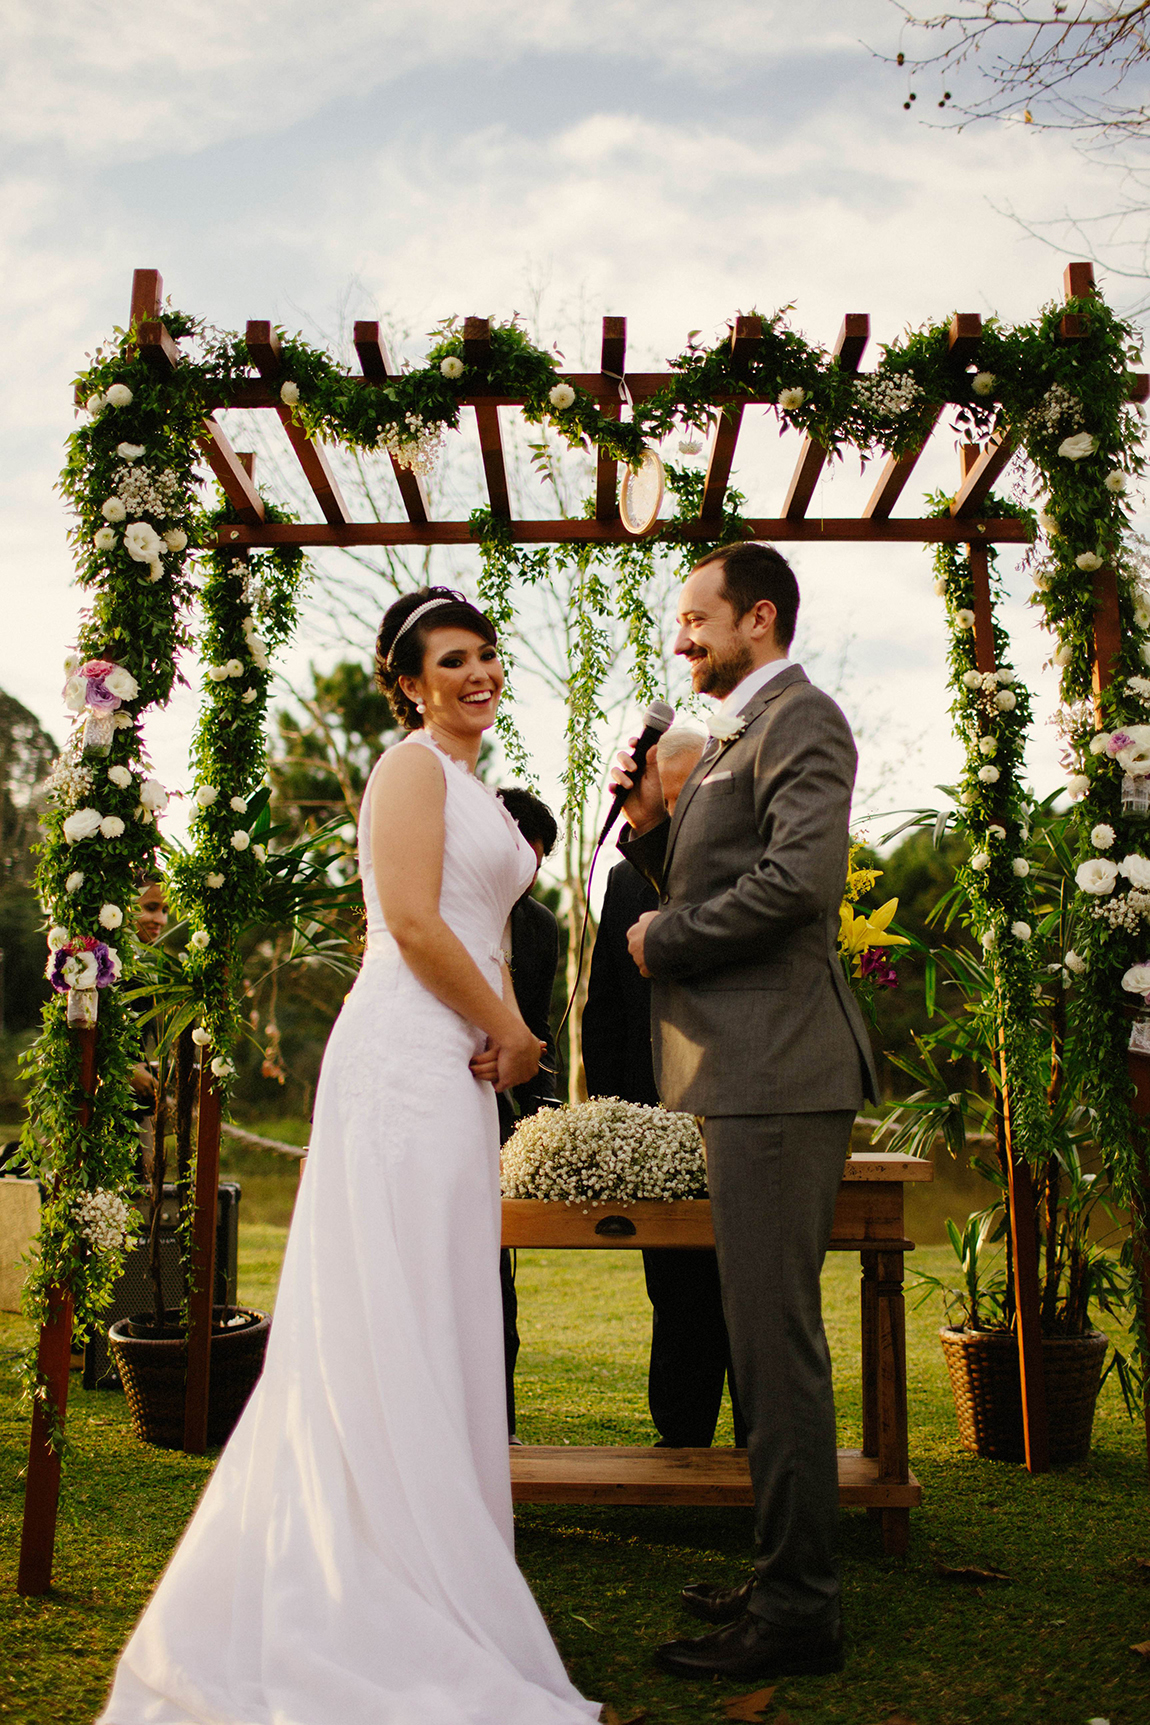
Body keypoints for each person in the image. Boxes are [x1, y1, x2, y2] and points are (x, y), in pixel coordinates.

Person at [100, 587, 600, 1725]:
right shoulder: (410, 770)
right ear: (410, 682)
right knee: (393, 1308)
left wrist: (521, 1040)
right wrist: (507, 1030)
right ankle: (379, 1584)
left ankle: (446, 1560)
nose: (477, 673)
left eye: (484, 654)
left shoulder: (472, 786)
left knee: (445, 1305)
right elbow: (415, 927)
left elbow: (487, 929)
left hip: (462, 1067)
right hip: (404, 1061)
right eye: (450, 661)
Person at [613, 542, 877, 1684]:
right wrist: (645, 826)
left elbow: (795, 884)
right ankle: (782, 1573)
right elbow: (714, 868)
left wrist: (659, 939)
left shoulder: (799, 721)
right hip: (740, 1073)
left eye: (696, 619)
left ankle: (798, 1614)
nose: (682, 639)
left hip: (780, 1071)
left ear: (758, 619)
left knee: (773, 1350)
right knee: (756, 1340)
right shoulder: (726, 737)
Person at [582, 727, 746, 1450]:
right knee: (675, 1290)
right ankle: (680, 1441)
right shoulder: (620, 878)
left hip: (737, 1104)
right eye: (661, 789)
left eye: (684, 793)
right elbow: (606, 1008)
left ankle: (759, 1448)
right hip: (653, 1117)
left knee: (747, 1288)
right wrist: (617, 1113)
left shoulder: (736, 862)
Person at [494, 786, 562, 1443]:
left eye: (536, 862)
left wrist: (544, 1115)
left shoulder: (543, 929)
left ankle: (501, 1427)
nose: (525, 873)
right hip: (443, 1106)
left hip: (504, 1123)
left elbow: (540, 1028)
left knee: (497, 1286)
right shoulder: (448, 906)